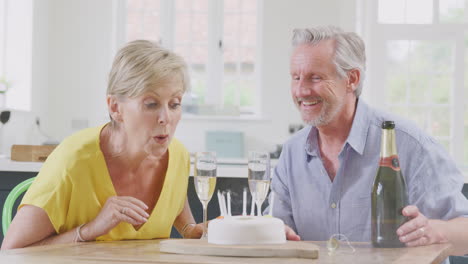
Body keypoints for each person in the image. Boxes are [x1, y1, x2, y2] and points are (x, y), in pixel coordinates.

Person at [270, 25, 468, 255]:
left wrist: (436, 231)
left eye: (315, 77)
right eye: (296, 77)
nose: (301, 90)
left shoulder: (411, 146)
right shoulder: (291, 154)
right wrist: (275, 233)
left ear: (351, 79)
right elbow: (277, 229)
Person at [2, 40, 202, 249]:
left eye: (175, 104)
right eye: (151, 104)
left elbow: (175, 203)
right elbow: (12, 252)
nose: (165, 118)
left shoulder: (178, 154)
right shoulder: (72, 160)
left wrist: (190, 229)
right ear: (115, 107)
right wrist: (89, 230)